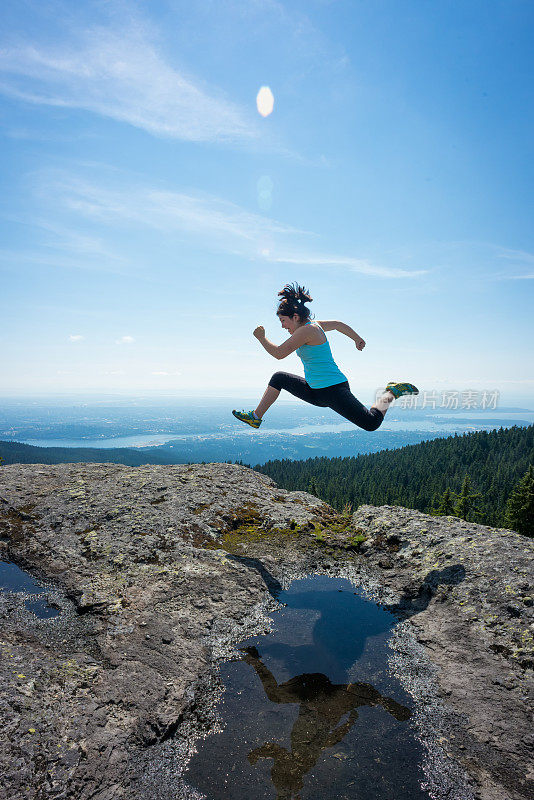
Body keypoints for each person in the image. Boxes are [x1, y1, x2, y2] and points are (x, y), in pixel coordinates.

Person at [232, 282, 418, 430]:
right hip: (316, 391)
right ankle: (255, 418)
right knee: (279, 378)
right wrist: (357, 338)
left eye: (283, 320)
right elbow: (337, 324)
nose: (282, 326)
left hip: (333, 390)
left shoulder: (307, 330)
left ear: (295, 316)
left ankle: (392, 391)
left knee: (371, 423)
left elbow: (279, 353)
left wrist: (262, 338)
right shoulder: (314, 325)